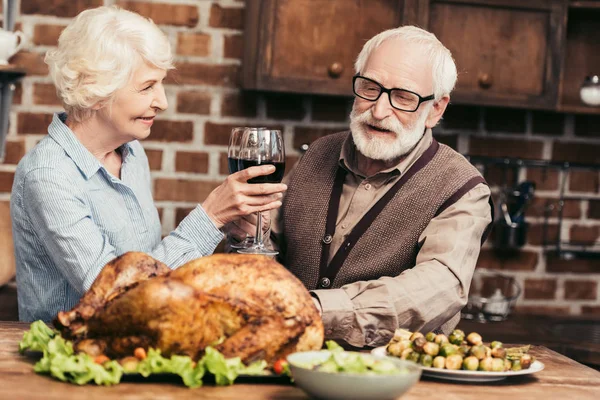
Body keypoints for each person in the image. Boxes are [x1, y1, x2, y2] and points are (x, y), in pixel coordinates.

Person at [10, 6, 286, 322]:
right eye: (147, 87)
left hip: (136, 348)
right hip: (70, 360)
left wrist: (229, 229)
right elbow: (117, 298)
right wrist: (209, 217)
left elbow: (151, 270)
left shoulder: (131, 154)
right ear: (96, 90)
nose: (163, 101)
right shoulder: (48, 175)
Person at [233, 26, 493, 348]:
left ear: (435, 109)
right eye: (369, 88)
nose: (379, 111)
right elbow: (266, 254)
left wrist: (315, 310)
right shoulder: (316, 154)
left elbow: (439, 287)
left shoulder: (463, 188)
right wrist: (243, 236)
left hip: (393, 380)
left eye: (403, 97)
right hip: (286, 361)